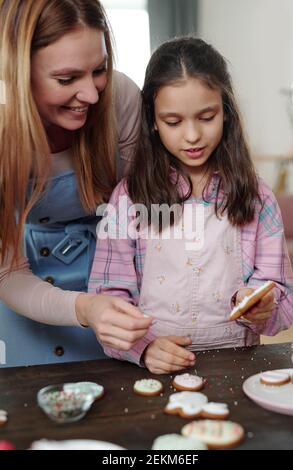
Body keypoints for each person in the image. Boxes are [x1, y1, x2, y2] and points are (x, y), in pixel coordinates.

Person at [89, 37, 293, 374]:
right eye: (173, 122)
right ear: (153, 121)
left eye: (206, 117)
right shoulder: (128, 198)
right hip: (153, 371)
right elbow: (108, 299)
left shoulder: (257, 196)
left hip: (236, 368)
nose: (192, 136)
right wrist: (143, 349)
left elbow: (283, 296)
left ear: (226, 112)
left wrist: (264, 307)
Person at [0, 0, 152, 368]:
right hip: (23, 287)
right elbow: (8, 273)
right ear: (18, 73)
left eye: (98, 70)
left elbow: (144, 225)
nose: (92, 95)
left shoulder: (121, 99)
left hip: (115, 273)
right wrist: (86, 308)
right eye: (66, 79)